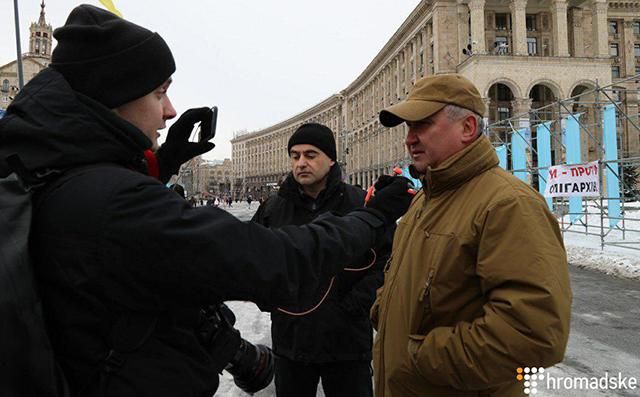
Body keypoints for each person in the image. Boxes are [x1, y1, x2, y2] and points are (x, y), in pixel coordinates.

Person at [0, 5, 414, 396]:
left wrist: (161, 163)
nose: (169, 110)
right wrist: (373, 218)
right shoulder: (114, 203)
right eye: (159, 93)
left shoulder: (48, 167)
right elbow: (272, 260)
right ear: (117, 94)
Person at [370, 74, 572, 397]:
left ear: (467, 128)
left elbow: (535, 332)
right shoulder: (425, 199)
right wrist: (385, 309)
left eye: (422, 124)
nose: (409, 139)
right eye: (408, 128)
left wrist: (422, 357)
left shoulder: (507, 204)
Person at [252, 123, 390, 397]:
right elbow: (253, 262)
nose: (301, 163)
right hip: (291, 345)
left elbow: (387, 258)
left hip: (347, 345)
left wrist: (355, 303)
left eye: (310, 155)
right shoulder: (272, 209)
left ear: (331, 158)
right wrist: (271, 299)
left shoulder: (360, 204)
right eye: (295, 156)